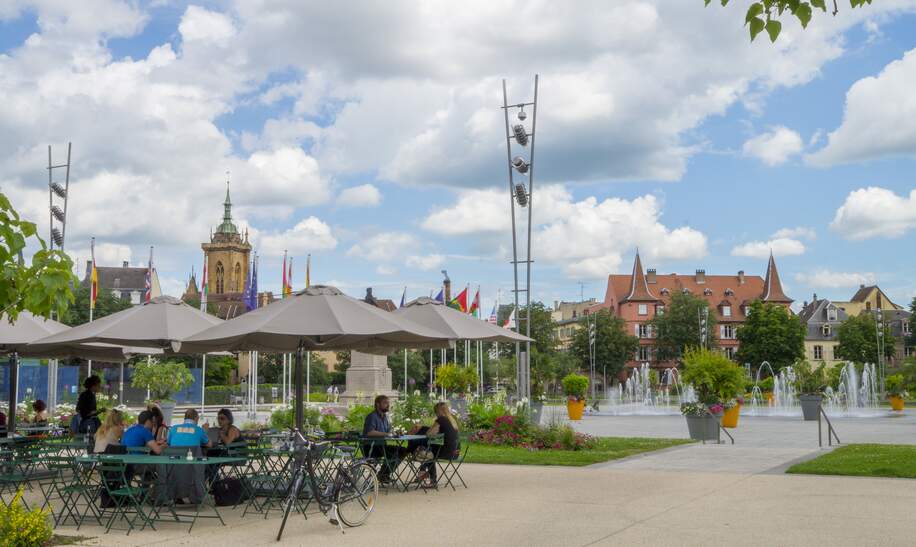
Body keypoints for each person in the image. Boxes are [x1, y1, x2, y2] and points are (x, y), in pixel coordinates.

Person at [414, 401, 461, 488]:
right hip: (455, 452)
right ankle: (423, 472)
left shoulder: (441, 419)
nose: (436, 414)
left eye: (435, 411)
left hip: (446, 452)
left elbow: (429, 433)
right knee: (428, 450)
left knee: (427, 453)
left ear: (438, 411)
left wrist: (427, 430)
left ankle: (432, 480)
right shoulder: (452, 420)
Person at [362, 395, 404, 483]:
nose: (388, 405)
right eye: (385, 403)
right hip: (371, 447)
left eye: (388, 403)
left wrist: (396, 433)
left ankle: (384, 474)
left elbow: (389, 432)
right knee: (395, 451)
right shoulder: (372, 416)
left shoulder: (385, 417)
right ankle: (383, 475)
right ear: (377, 404)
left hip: (381, 446)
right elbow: (370, 432)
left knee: (402, 451)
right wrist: (387, 434)